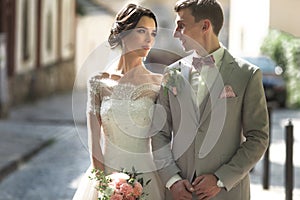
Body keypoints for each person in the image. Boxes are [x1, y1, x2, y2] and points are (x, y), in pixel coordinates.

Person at [150, 0, 269, 199]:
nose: (175, 33)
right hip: (180, 193)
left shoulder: (247, 74)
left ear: (205, 26)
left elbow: (258, 137)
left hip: (227, 192)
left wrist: (221, 178)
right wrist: (172, 180)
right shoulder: (172, 73)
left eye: (182, 25)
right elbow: (159, 133)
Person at [73, 4, 165, 199]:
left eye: (153, 33)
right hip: (106, 175)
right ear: (123, 33)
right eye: (142, 31)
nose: (149, 39)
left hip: (146, 176)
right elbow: (94, 142)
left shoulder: (158, 83)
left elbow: (165, 138)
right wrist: (105, 185)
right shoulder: (98, 82)